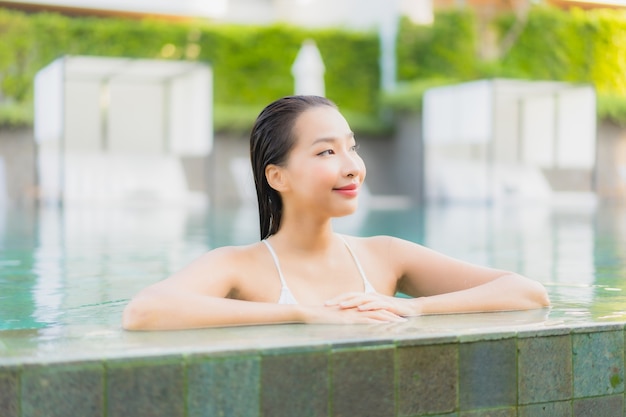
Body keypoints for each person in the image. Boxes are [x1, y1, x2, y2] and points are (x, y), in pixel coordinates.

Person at [122, 95, 550, 330]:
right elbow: (144, 311)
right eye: (326, 151)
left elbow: (527, 293)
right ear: (278, 177)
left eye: (351, 147)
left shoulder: (385, 256)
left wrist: (413, 308)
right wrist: (303, 312)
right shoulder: (239, 267)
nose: (352, 166)